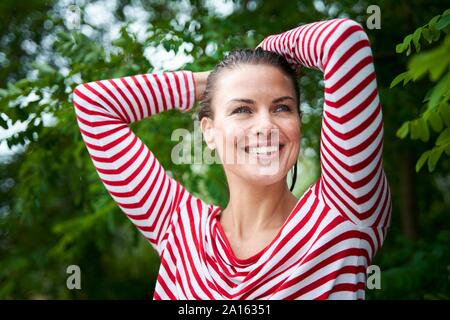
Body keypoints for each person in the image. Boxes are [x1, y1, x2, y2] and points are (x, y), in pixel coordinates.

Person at [72, 17, 392, 300]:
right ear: (209, 131)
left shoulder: (343, 215)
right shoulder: (180, 230)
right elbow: (93, 104)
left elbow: (342, 41)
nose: (266, 126)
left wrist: (267, 51)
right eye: (242, 109)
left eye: (282, 108)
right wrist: (213, 82)